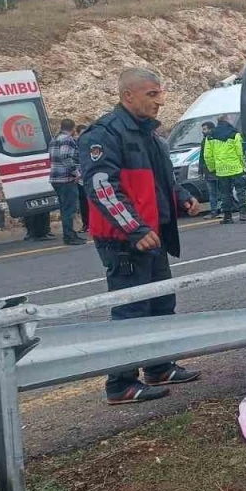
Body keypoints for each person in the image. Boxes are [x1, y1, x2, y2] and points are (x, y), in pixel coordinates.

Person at [80, 67, 202, 404]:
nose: (160, 101)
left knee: (161, 304)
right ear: (128, 96)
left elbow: (165, 180)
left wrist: (183, 197)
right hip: (125, 241)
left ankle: (158, 366)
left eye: (160, 93)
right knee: (130, 311)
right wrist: (134, 228)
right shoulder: (104, 134)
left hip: (153, 236)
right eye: (152, 94)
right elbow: (102, 188)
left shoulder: (150, 136)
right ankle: (120, 384)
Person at [203, 114, 246, 223]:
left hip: (221, 170)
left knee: (224, 193)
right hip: (236, 168)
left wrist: (212, 168)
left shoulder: (210, 137)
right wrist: (244, 166)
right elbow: (240, 152)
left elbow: (207, 155)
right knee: (241, 191)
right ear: (227, 120)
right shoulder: (234, 134)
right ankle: (244, 213)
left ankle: (227, 217)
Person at [48, 118, 87, 245]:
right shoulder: (67, 140)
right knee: (70, 209)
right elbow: (65, 156)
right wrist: (76, 173)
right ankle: (69, 236)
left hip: (55, 178)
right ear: (73, 129)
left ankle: (69, 234)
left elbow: (52, 157)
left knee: (64, 208)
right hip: (66, 179)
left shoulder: (54, 140)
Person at [198, 121, 219, 215]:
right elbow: (202, 157)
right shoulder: (204, 141)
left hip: (216, 169)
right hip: (208, 170)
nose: (203, 131)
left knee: (217, 192)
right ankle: (214, 211)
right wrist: (200, 170)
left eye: (204, 129)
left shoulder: (215, 139)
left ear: (210, 129)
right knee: (212, 192)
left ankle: (220, 210)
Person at [74, 124, 90, 231]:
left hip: (89, 177)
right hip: (80, 179)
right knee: (83, 203)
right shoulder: (75, 144)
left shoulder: (91, 143)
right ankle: (86, 224)